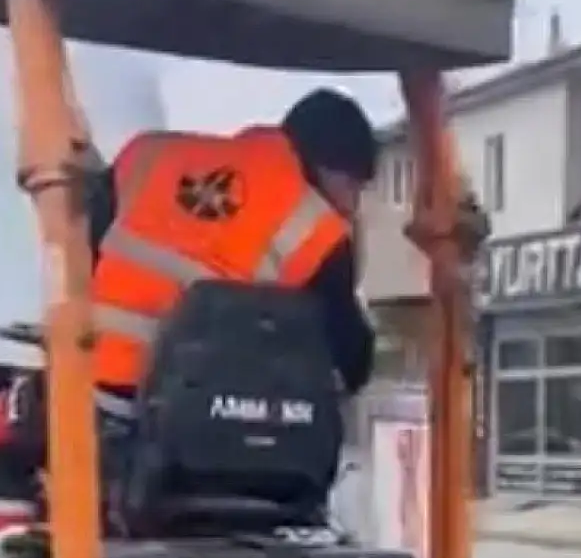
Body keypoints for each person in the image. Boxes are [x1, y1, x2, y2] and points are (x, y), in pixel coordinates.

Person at [87, 87, 378, 417]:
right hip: (190, 415)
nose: (352, 206)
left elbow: (87, 241)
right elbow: (352, 361)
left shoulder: (148, 154)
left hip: (89, 388)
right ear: (323, 165)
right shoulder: (317, 229)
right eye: (353, 186)